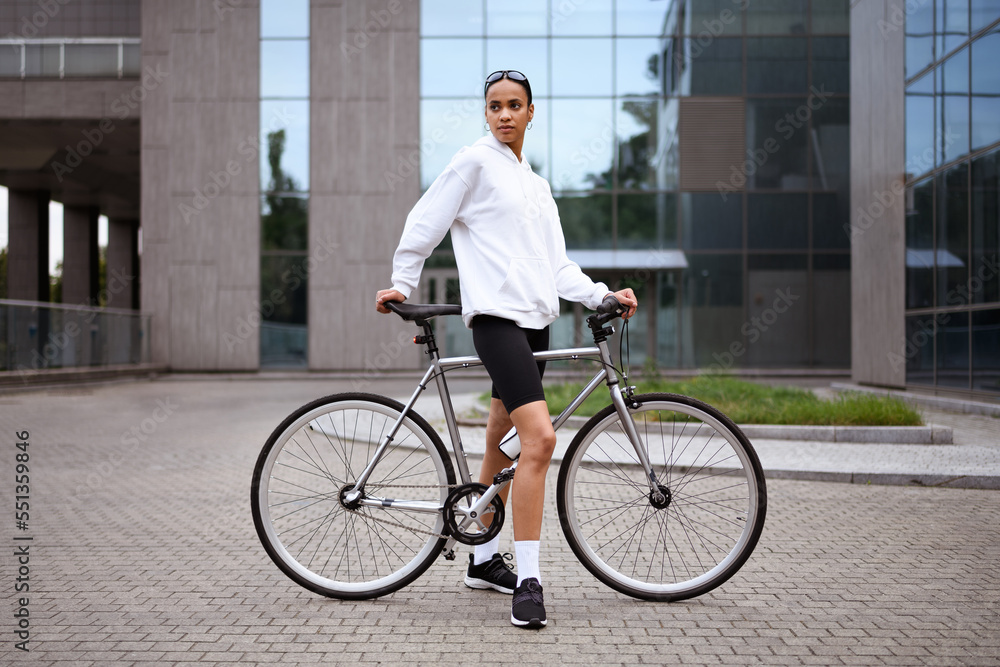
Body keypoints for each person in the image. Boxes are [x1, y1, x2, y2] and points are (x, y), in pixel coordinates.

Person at [375, 70, 637, 629]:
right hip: (495, 321)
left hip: (535, 323)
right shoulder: (473, 162)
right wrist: (403, 280)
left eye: (515, 105)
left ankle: (481, 556)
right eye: (495, 106)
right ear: (486, 112)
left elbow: (557, 266)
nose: (504, 115)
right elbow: (425, 221)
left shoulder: (537, 186)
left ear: (531, 112)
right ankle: (530, 581)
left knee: (506, 440)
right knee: (540, 440)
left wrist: (601, 294)